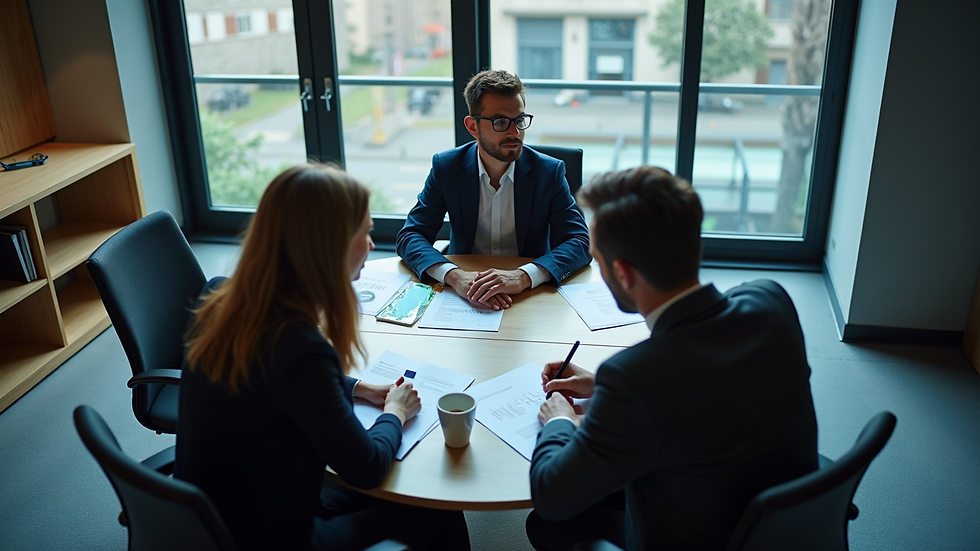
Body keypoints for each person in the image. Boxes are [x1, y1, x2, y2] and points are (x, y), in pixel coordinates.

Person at [175, 164, 470, 551]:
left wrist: (359, 388)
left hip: (214, 519)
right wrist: (395, 413)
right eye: (362, 232)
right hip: (274, 537)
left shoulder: (220, 297)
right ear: (328, 244)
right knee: (439, 506)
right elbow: (365, 468)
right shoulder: (300, 348)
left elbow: (278, 383)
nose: (370, 243)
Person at [525, 166, 819, 551]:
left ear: (624, 273)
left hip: (696, 537)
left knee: (544, 525)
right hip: (784, 524)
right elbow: (710, 379)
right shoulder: (771, 300)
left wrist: (560, 422)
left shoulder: (634, 378)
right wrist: (601, 385)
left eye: (597, 260)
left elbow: (552, 497)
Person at [396, 69, 591, 311]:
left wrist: (522, 276)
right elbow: (411, 236)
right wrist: (456, 276)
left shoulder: (548, 172)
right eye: (500, 122)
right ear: (473, 127)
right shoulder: (447, 168)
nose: (514, 133)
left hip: (528, 294)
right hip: (463, 291)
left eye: (519, 120)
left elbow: (580, 241)